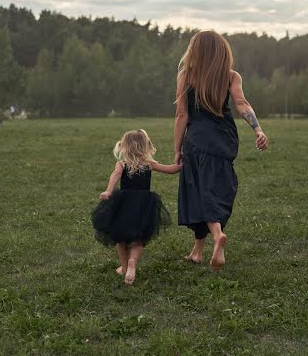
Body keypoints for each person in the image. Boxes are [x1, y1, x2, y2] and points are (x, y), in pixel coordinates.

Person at [174, 30, 268, 270]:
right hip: (224, 140)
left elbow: (182, 114)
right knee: (213, 187)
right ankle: (198, 251)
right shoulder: (231, 76)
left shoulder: (186, 76)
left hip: (197, 140)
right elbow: (241, 104)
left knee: (200, 190)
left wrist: (177, 148)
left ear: (195, 51)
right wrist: (258, 130)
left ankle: (217, 236)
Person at [92, 129, 181, 285]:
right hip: (143, 205)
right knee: (139, 239)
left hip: (123, 203)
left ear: (125, 147)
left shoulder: (122, 164)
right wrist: (182, 163)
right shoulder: (149, 164)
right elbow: (171, 169)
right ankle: (133, 260)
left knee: (120, 239)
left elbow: (114, 176)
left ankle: (125, 267)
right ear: (145, 146)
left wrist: (108, 190)